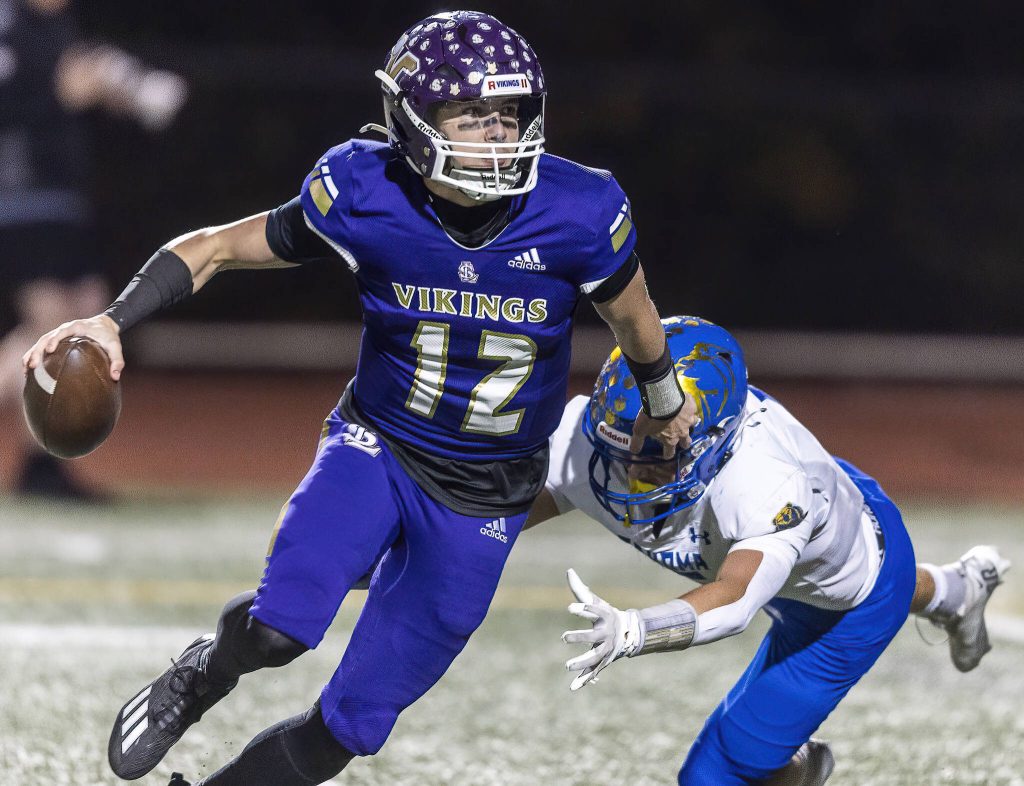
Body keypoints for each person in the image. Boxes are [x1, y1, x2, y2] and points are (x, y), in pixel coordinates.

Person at [23, 11, 698, 785]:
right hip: (379, 446)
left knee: (349, 728)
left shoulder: (578, 209)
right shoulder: (364, 188)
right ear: (411, 122)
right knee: (280, 628)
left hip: (489, 495)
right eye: (472, 114)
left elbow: (633, 315)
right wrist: (112, 321)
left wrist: (662, 395)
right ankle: (205, 673)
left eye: (508, 112)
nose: (498, 132)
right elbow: (216, 247)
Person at [528, 315, 1011, 785]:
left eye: (652, 456)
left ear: (709, 445)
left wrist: (636, 629)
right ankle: (955, 591)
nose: (628, 474)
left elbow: (737, 598)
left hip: (848, 605)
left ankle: (797, 769)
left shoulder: (766, 485)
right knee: (802, 562)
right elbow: (496, 514)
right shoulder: (603, 443)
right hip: (801, 537)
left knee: (714, 776)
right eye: (614, 448)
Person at [0, 0, 187, 496]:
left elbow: (85, 83)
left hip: (63, 195)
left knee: (83, 321)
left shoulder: (58, 23)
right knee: (54, 330)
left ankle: (41, 463)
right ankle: (40, 467)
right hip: (21, 194)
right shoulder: (9, 21)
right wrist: (57, 89)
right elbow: (29, 92)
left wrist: (128, 91)